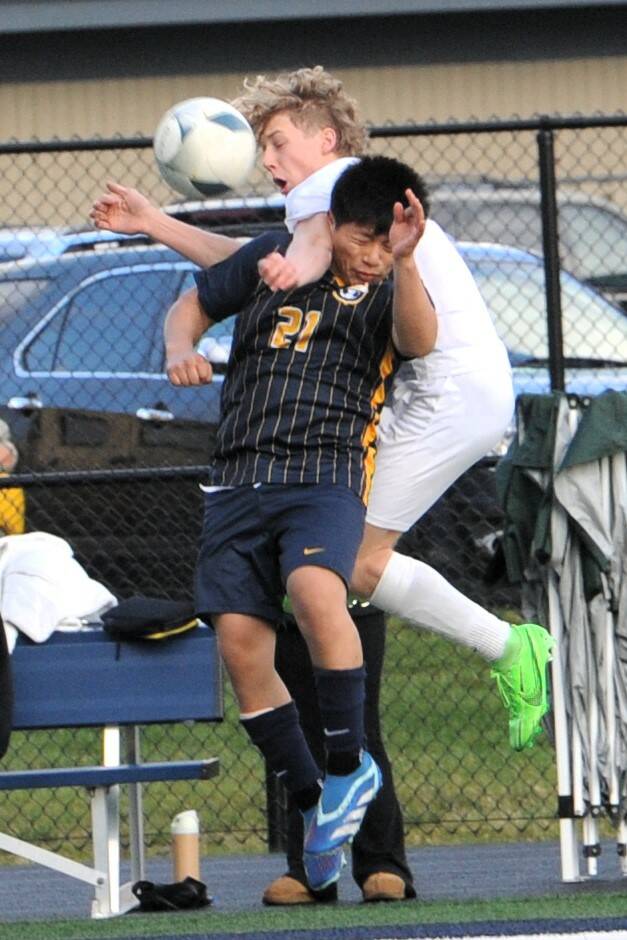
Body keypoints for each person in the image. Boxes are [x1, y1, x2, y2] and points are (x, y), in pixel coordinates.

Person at [90, 64, 554, 901]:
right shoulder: (320, 215)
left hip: (435, 391)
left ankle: (507, 648)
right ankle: (337, 831)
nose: (265, 156)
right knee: (334, 589)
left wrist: (282, 263)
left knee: (348, 573)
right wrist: (160, 224)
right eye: (259, 142)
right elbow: (257, 261)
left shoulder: (339, 191)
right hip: (432, 398)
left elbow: (299, 261)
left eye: (276, 140)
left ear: (328, 142)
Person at [162, 155, 437, 896]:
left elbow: (419, 342)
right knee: (241, 644)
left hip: (324, 475)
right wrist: (180, 348)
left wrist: (405, 265)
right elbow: (190, 306)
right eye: (363, 238)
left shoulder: (387, 288)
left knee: (318, 593)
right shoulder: (272, 260)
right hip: (238, 477)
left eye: (388, 242)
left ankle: (349, 771)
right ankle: (319, 807)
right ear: (332, 221)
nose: (372, 253)